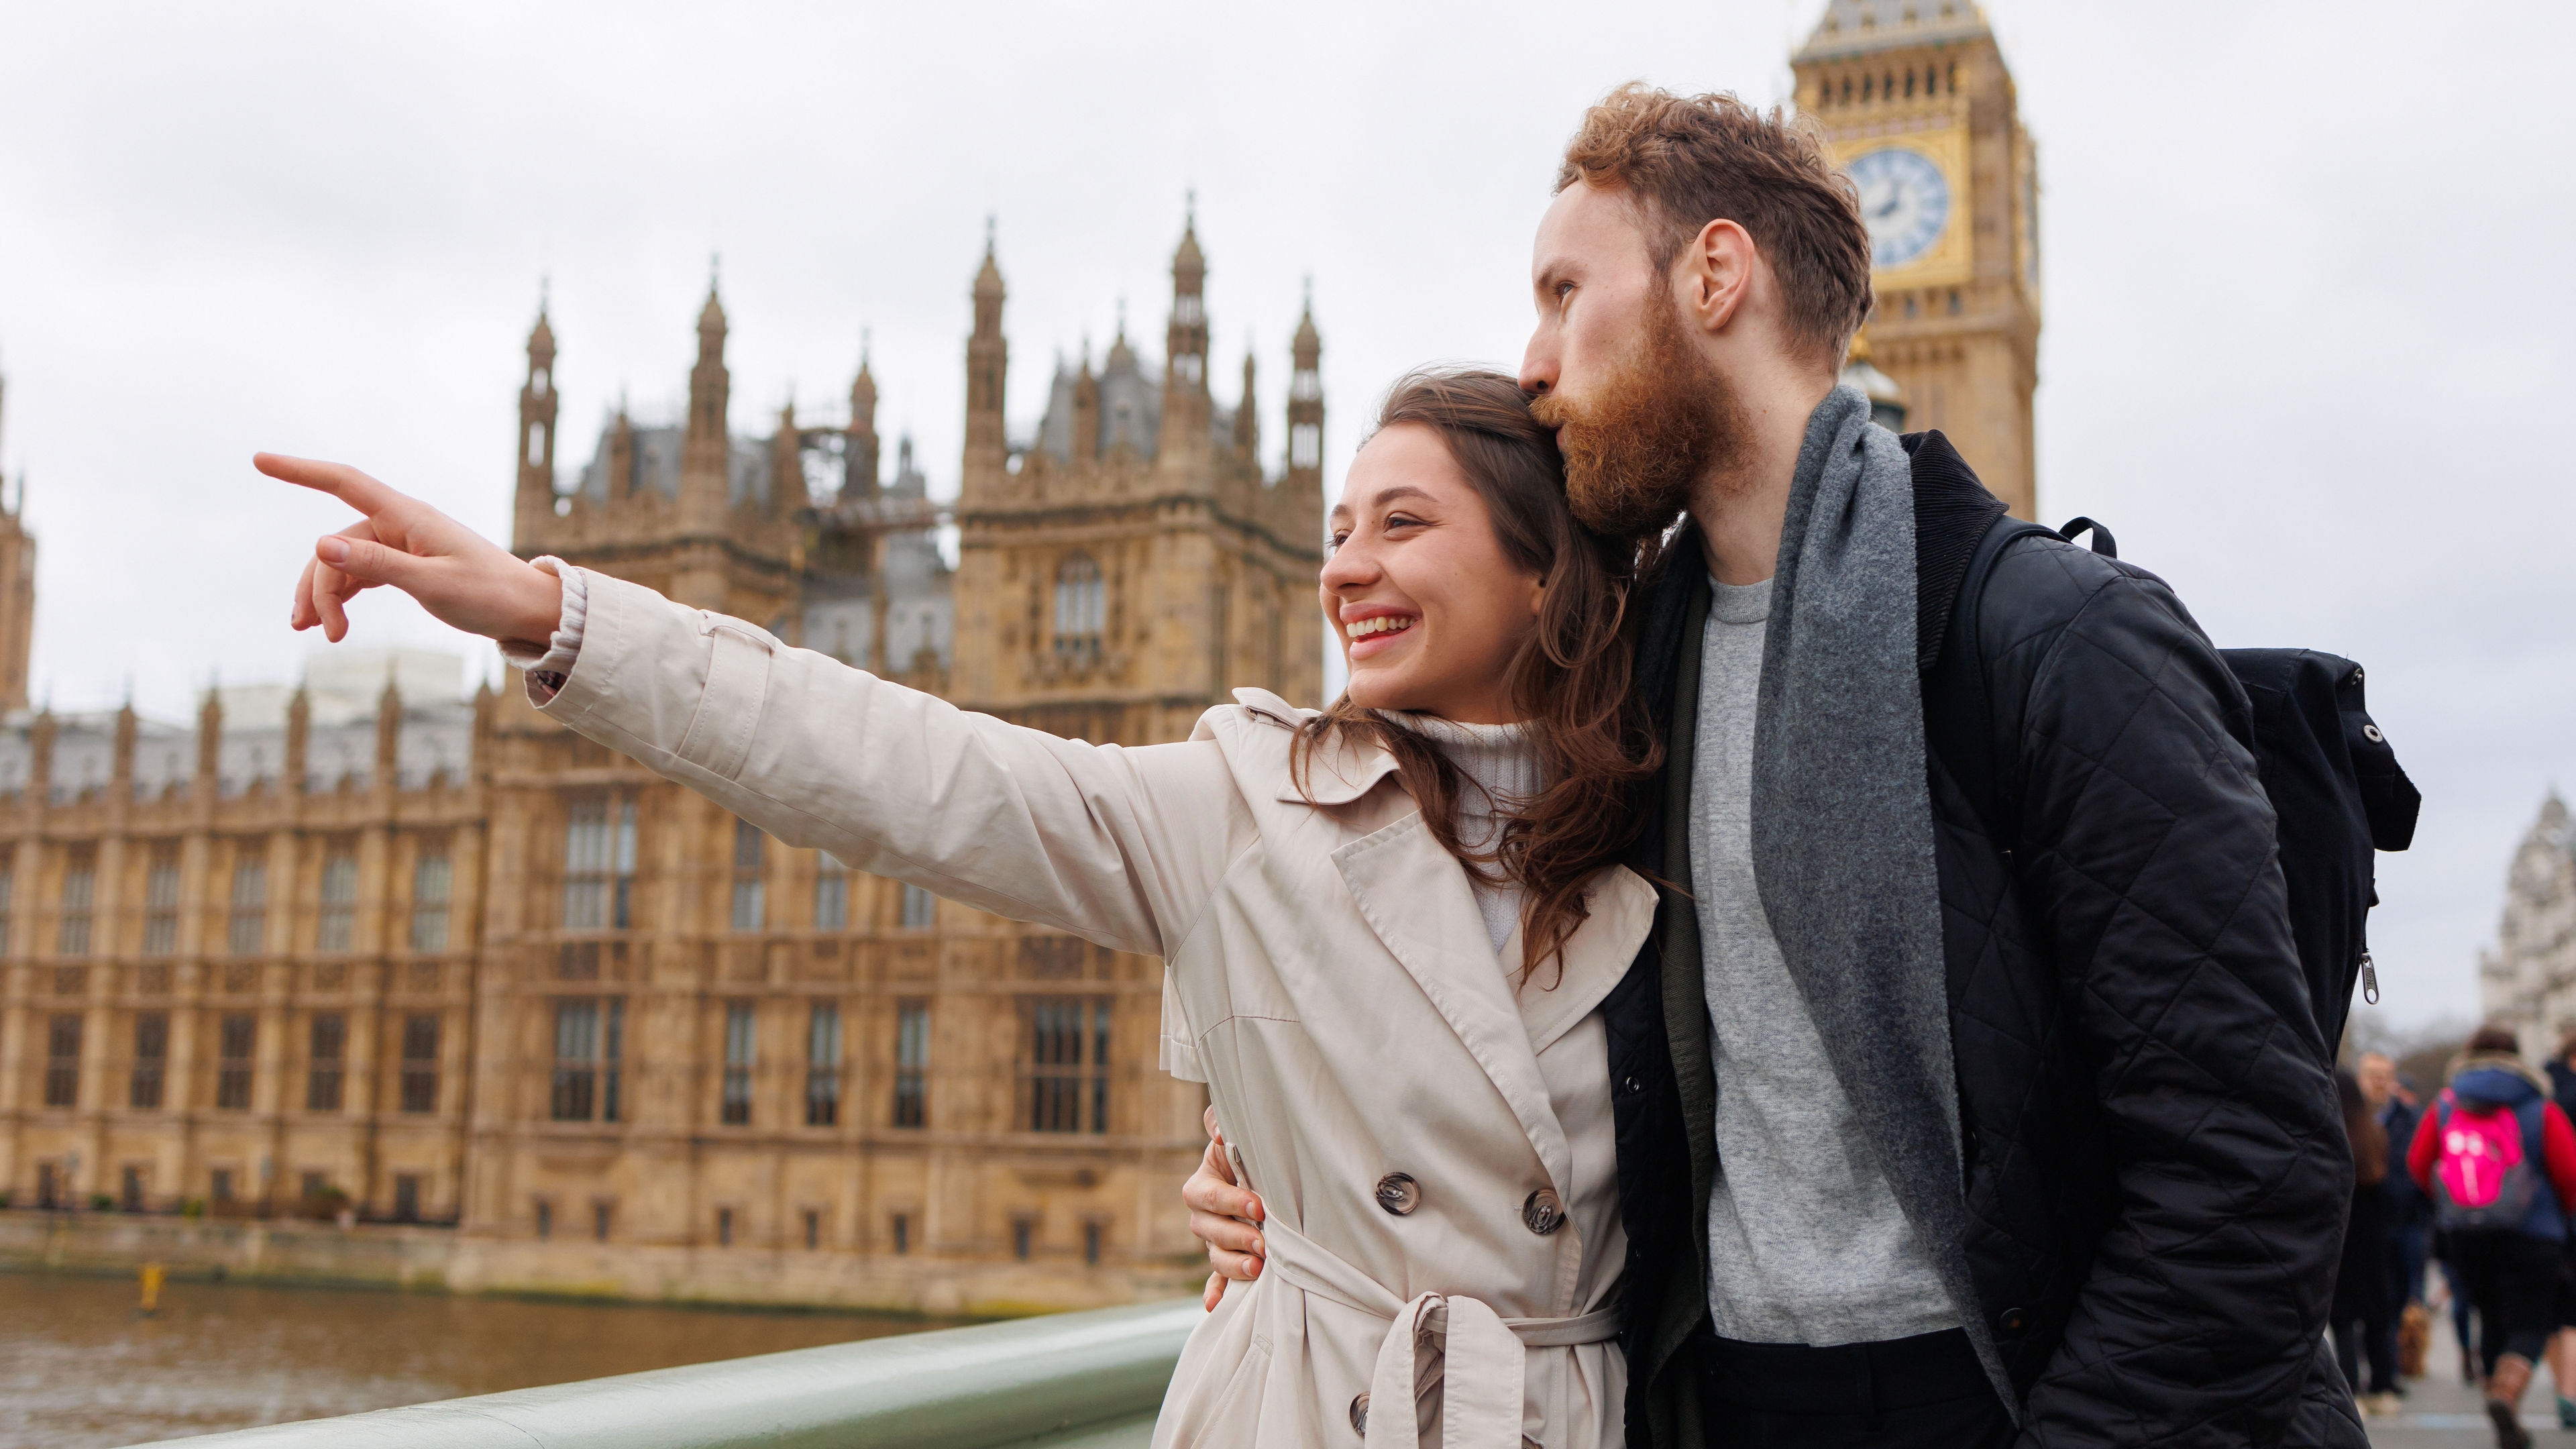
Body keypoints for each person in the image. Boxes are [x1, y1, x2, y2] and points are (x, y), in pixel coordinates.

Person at [1187, 84, 2359, 1447]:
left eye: (1566, 293)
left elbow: (2251, 1175)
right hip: (1734, 1396)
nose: (1533, 361)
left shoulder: (2064, 642)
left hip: (2024, 1398)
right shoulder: (1629, 684)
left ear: (1716, 273)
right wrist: (1267, 1172)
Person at [264, 369, 1662, 1447]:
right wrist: (543, 607)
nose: (1344, 567)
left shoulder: (1677, 818)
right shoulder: (1245, 808)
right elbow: (902, 765)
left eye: (1401, 526)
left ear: (1545, 569)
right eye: (1337, 528)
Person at [2407, 1024, 2576, 1449]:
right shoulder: (2538, 1106)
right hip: (2534, 1233)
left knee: (2491, 1317)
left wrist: (2451, 1204)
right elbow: (2570, 1172)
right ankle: (2505, 1395)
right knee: (2532, 1322)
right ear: (2517, 1057)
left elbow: (2417, 1162)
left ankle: (2507, 1416)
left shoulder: (2446, 1105)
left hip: (2466, 1235)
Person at [2360, 1052, 2433, 1385]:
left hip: (2405, 1220)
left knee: (2404, 1294)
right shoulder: (2352, 1116)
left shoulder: (2409, 1117)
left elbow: (2421, 1167)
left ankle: (2394, 1364)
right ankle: (2378, 1364)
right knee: (2373, 1296)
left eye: (2385, 1075)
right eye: (2373, 1074)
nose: (2379, 1081)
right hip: (2364, 1222)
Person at [2332, 1067, 2401, 1413]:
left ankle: (2350, 1386)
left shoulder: (2330, 1136)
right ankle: (2384, 1385)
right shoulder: (2375, 1134)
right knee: (2377, 1312)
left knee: (2342, 1315)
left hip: (2338, 1236)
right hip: (2373, 1237)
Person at [2546, 1028, 2576, 1426]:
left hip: (2548, 1218)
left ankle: (2564, 1390)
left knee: (2560, 1313)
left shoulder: (2543, 1091)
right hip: (2567, 1212)